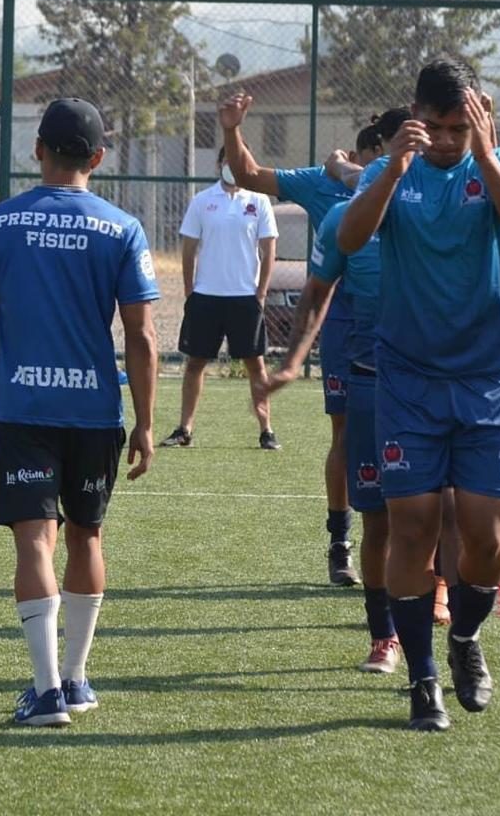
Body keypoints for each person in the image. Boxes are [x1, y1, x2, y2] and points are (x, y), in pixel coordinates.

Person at [338, 57, 500, 732]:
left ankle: (464, 639)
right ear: (416, 115)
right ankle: (424, 679)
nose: (449, 140)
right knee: (414, 527)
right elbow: (348, 237)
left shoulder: (494, 160)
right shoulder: (389, 170)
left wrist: (485, 152)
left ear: (475, 116)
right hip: (408, 382)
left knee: (485, 539)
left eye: (460, 127)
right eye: (439, 126)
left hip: (483, 382)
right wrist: (392, 169)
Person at [0, 97, 159, 726]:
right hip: (94, 410)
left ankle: (45, 691)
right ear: (98, 158)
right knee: (86, 535)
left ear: (36, 151)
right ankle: (74, 681)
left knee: (33, 542)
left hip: (20, 405)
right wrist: (149, 422)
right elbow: (143, 337)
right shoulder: (123, 227)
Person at [262, 109, 410, 674]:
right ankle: (385, 634)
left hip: (430, 383)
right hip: (368, 375)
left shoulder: (439, 213)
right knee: (380, 516)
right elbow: (316, 296)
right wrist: (293, 360)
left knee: (440, 515)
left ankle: (453, 628)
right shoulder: (343, 221)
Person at [221, 95, 381, 585]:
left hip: (396, 320)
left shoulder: (414, 185)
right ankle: (340, 542)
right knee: (346, 433)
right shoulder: (325, 181)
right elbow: (248, 174)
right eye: (391, 153)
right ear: (369, 153)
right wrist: (231, 129)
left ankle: (414, 557)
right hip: (341, 318)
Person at [159, 146, 279, 450]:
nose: (233, 166)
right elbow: (188, 250)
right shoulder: (201, 201)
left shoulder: (259, 200)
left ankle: (267, 430)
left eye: (239, 161)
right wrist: (190, 292)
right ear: (219, 164)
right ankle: (184, 429)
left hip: (244, 298)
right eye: (228, 161)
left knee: (256, 365)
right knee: (195, 362)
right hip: (206, 297)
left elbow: (269, 250)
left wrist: (260, 292)